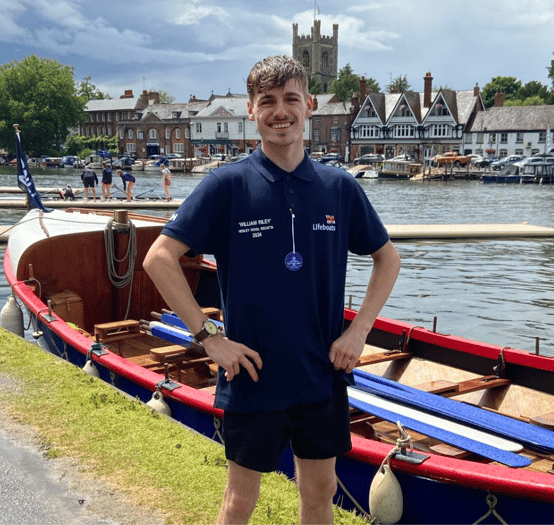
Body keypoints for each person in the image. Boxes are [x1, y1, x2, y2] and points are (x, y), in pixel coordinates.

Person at [143, 55, 400, 525]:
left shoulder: (338, 186)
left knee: (320, 494)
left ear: (310, 105)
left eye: (290, 100)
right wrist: (208, 338)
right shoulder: (227, 185)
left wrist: (359, 330)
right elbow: (158, 258)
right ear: (251, 109)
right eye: (268, 101)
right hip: (252, 375)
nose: (280, 111)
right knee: (240, 501)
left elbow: (388, 258)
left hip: (321, 372)